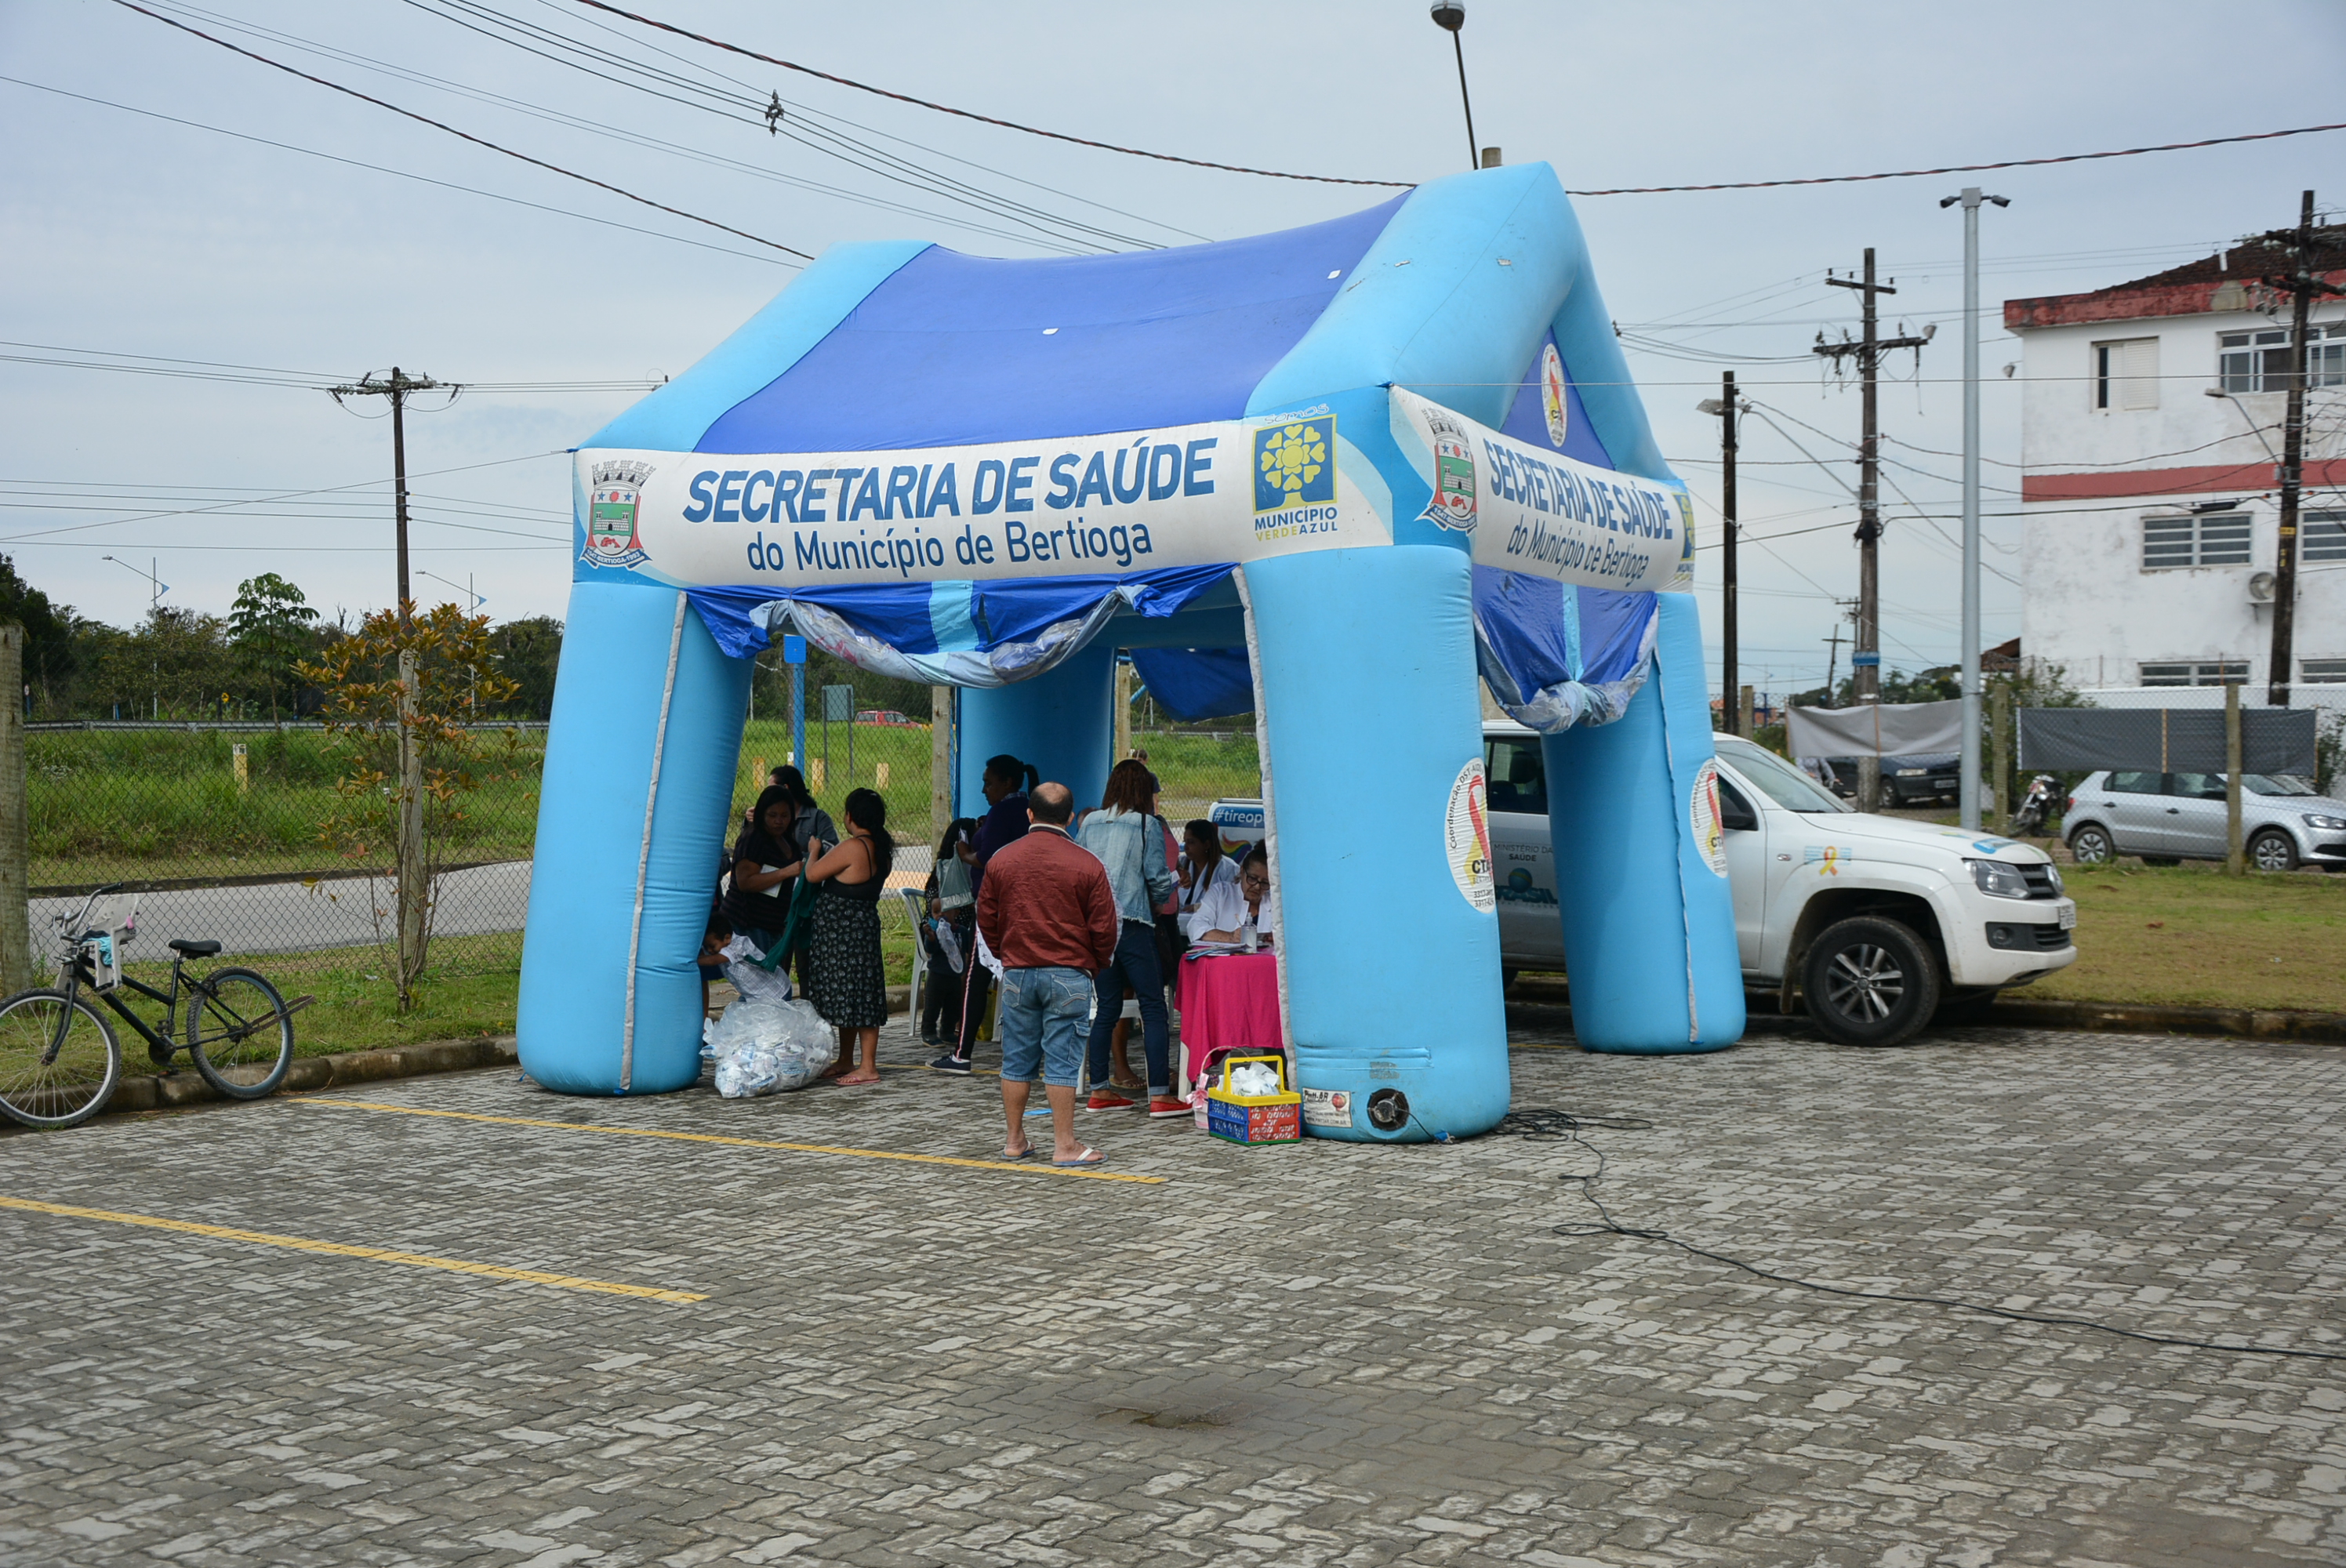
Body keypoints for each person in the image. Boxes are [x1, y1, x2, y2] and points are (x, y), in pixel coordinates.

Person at [976, 782, 1118, 1167]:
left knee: (1016, 1060)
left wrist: (1007, 952)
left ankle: (1014, 1139)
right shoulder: (1088, 863)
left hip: (1018, 972)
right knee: (1063, 1061)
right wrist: (1095, 964)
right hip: (1069, 973)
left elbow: (986, 917)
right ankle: (1065, 1145)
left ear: (1029, 814)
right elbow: (1105, 928)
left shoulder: (1002, 860)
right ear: (1071, 818)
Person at [1074, 760, 1181, 1117]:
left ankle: (1100, 1089)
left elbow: (1079, 870)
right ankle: (1160, 1096)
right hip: (1135, 925)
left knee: (1106, 1008)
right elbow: (1157, 877)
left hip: (1098, 929)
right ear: (1143, 792)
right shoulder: (1145, 824)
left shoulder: (1089, 823)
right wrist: (1163, 896)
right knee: (1153, 1007)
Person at [932, 753, 1040, 1073]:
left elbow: (991, 858)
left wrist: (966, 854)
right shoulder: (1026, 811)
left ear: (1007, 783)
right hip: (1025, 904)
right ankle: (1027, 1051)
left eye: (988, 783)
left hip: (995, 906)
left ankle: (961, 1053)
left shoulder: (1003, 810)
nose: (983, 790)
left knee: (975, 978)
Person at [804, 786, 893, 1086]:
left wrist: (814, 851)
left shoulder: (855, 846)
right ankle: (846, 1059)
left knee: (859, 995)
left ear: (851, 816)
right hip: (859, 929)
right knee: (852, 993)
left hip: (845, 933)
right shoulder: (881, 846)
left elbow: (813, 874)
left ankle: (868, 1067)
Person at [724, 785, 813, 954]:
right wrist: (787, 871)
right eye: (772, 815)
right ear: (762, 814)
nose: (779, 821)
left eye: (785, 815)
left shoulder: (787, 840)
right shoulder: (754, 839)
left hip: (774, 925)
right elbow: (745, 882)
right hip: (748, 925)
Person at [919, 817, 978, 1045]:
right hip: (941, 959)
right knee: (934, 1001)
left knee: (952, 1000)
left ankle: (950, 1027)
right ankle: (929, 1030)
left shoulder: (959, 928)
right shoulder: (946, 876)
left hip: (957, 956)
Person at [1192, 844, 1275, 948]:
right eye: (1252, 878)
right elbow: (1196, 925)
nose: (1257, 887)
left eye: (1265, 883)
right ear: (1241, 871)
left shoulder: (1276, 903)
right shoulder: (1220, 893)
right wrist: (1230, 937)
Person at [1175, 818, 1240, 940]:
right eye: (1185, 842)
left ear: (1206, 844)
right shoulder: (1182, 864)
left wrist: (1197, 907)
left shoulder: (1228, 868)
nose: (1186, 847)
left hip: (1210, 930)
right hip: (1180, 927)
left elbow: (1231, 903)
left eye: (1191, 842)